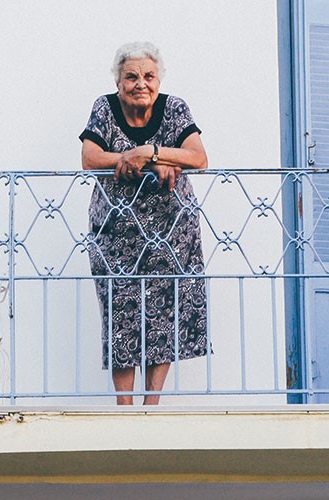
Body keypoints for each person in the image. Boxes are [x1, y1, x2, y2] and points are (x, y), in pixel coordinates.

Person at [80, 42, 210, 405]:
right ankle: (125, 407)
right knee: (120, 312)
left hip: (172, 232)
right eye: (131, 76)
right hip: (116, 232)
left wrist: (150, 153)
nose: (141, 83)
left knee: (165, 312)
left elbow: (198, 157)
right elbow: (90, 157)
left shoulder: (175, 108)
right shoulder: (104, 108)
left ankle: (151, 406)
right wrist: (133, 158)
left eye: (148, 76)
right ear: (118, 81)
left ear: (159, 79)